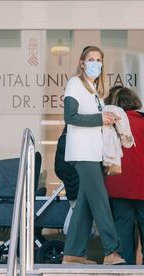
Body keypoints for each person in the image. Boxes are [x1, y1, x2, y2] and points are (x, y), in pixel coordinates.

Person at [61, 46, 125, 265]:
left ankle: (73, 254)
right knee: (100, 201)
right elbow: (70, 116)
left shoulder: (95, 90)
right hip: (82, 152)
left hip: (94, 153)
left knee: (85, 204)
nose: (95, 63)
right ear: (81, 62)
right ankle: (111, 252)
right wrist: (100, 119)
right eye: (91, 59)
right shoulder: (75, 84)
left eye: (99, 60)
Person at [105, 86, 144, 264]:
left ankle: (126, 269)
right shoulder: (142, 121)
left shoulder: (108, 123)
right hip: (142, 186)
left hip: (117, 185)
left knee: (122, 228)